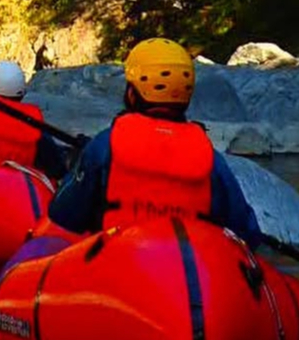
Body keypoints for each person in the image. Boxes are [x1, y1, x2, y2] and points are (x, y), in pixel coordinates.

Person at [47, 38, 263, 247]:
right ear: (185, 97)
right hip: (186, 275)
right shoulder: (210, 159)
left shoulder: (104, 146)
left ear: (132, 94)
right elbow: (247, 234)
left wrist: (79, 165)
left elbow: (64, 214)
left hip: (116, 267)